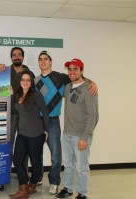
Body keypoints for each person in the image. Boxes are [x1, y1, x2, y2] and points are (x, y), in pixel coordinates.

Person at [35, 51, 98, 195]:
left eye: (46, 59)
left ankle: (59, 184)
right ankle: (62, 187)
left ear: (51, 62)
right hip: (45, 125)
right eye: (41, 59)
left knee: (58, 156)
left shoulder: (62, 78)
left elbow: (93, 114)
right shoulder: (37, 81)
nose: (72, 72)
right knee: (63, 162)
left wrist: (92, 82)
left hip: (55, 123)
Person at [0, 47, 34, 175]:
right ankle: (5, 174)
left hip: (24, 116)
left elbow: (33, 94)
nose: (17, 57)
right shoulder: (5, 70)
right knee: (7, 145)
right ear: (11, 58)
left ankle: (23, 174)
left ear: (23, 57)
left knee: (24, 146)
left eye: (19, 55)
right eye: (14, 55)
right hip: (9, 115)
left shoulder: (29, 73)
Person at [55, 58, 99, 199]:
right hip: (67, 134)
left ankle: (82, 193)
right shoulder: (68, 87)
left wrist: (85, 137)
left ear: (81, 71)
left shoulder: (89, 89)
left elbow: (94, 116)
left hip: (81, 136)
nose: (72, 72)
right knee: (68, 165)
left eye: (75, 69)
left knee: (82, 168)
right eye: (70, 69)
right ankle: (68, 189)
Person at [9, 71, 49, 199]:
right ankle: (23, 188)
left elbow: (45, 112)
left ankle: (31, 186)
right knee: (17, 160)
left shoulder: (36, 95)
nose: (25, 82)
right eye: (23, 79)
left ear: (31, 82)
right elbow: (13, 110)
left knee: (36, 162)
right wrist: (11, 95)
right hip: (22, 134)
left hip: (35, 135)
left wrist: (46, 130)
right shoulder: (18, 94)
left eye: (28, 80)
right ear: (19, 81)